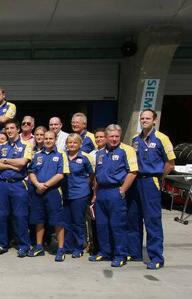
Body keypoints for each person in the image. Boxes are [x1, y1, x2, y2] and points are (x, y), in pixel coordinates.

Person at [126, 109, 175, 269]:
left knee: (152, 220)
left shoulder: (162, 138)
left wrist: (160, 178)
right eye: (142, 118)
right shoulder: (135, 139)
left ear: (154, 120)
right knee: (133, 218)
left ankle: (156, 257)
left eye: (147, 118)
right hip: (136, 181)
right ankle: (135, 253)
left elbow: (170, 163)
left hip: (151, 181)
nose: (144, 121)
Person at [90, 124, 137, 267]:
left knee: (117, 225)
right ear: (106, 137)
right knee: (102, 224)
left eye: (117, 136)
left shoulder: (127, 150)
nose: (114, 139)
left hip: (116, 191)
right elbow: (97, 176)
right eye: (111, 136)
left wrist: (122, 191)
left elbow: (133, 172)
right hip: (102, 192)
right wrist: (95, 195)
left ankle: (120, 254)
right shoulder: (100, 154)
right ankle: (105, 252)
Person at [0, 120, 33, 256]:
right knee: (1, 215)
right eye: (7, 128)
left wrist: (5, 160)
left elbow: (22, 163)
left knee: (20, 216)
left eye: (12, 128)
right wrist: (11, 165)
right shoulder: (1, 147)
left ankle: (24, 246)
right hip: (2, 184)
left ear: (18, 130)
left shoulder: (26, 146)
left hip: (18, 184)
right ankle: (1, 244)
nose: (9, 131)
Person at [27, 130, 69, 260]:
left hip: (53, 191)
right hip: (38, 191)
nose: (48, 140)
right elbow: (31, 172)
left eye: (51, 138)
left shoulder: (61, 154)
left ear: (55, 139)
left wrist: (45, 185)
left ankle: (61, 248)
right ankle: (39, 246)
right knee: (38, 219)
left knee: (57, 220)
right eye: (46, 138)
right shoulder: (37, 155)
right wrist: (37, 184)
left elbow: (61, 174)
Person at [63, 133, 96, 258]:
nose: (72, 145)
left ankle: (78, 246)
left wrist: (83, 185)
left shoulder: (85, 157)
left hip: (79, 193)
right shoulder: (63, 156)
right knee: (66, 222)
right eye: (70, 142)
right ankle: (68, 246)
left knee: (78, 221)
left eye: (75, 142)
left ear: (80, 144)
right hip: (66, 193)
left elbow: (91, 174)